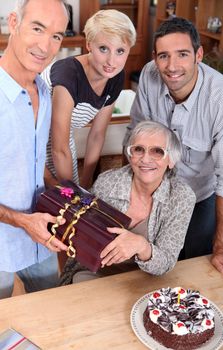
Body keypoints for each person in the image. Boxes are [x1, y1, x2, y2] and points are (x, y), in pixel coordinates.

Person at [123, 17, 223, 274]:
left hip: (200, 194)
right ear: (154, 57)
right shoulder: (150, 75)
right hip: (155, 189)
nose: (172, 66)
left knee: (197, 263)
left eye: (182, 54)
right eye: (164, 56)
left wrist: (222, 248)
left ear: (199, 54)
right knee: (148, 265)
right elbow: (135, 133)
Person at [60, 121, 196, 284]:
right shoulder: (107, 182)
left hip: (147, 279)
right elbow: (81, 238)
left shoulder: (182, 197)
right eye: (138, 149)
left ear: (171, 160)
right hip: (96, 273)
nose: (146, 159)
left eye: (157, 151)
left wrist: (142, 246)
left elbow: (166, 262)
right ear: (129, 154)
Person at [0, 0, 69, 299]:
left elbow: (31, 160)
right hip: (7, 237)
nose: (46, 45)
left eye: (56, 36)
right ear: (14, 23)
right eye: (38, 28)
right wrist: (22, 221)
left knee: (51, 314)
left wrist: (66, 194)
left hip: (41, 235)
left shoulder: (43, 90)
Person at [42, 9, 136, 189]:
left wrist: (86, 186)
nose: (111, 61)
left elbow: (97, 134)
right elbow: (59, 149)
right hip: (29, 136)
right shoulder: (68, 75)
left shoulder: (115, 77)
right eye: (103, 48)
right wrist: (72, 193)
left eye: (120, 51)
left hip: (62, 136)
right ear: (89, 44)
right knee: (48, 195)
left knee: (75, 191)